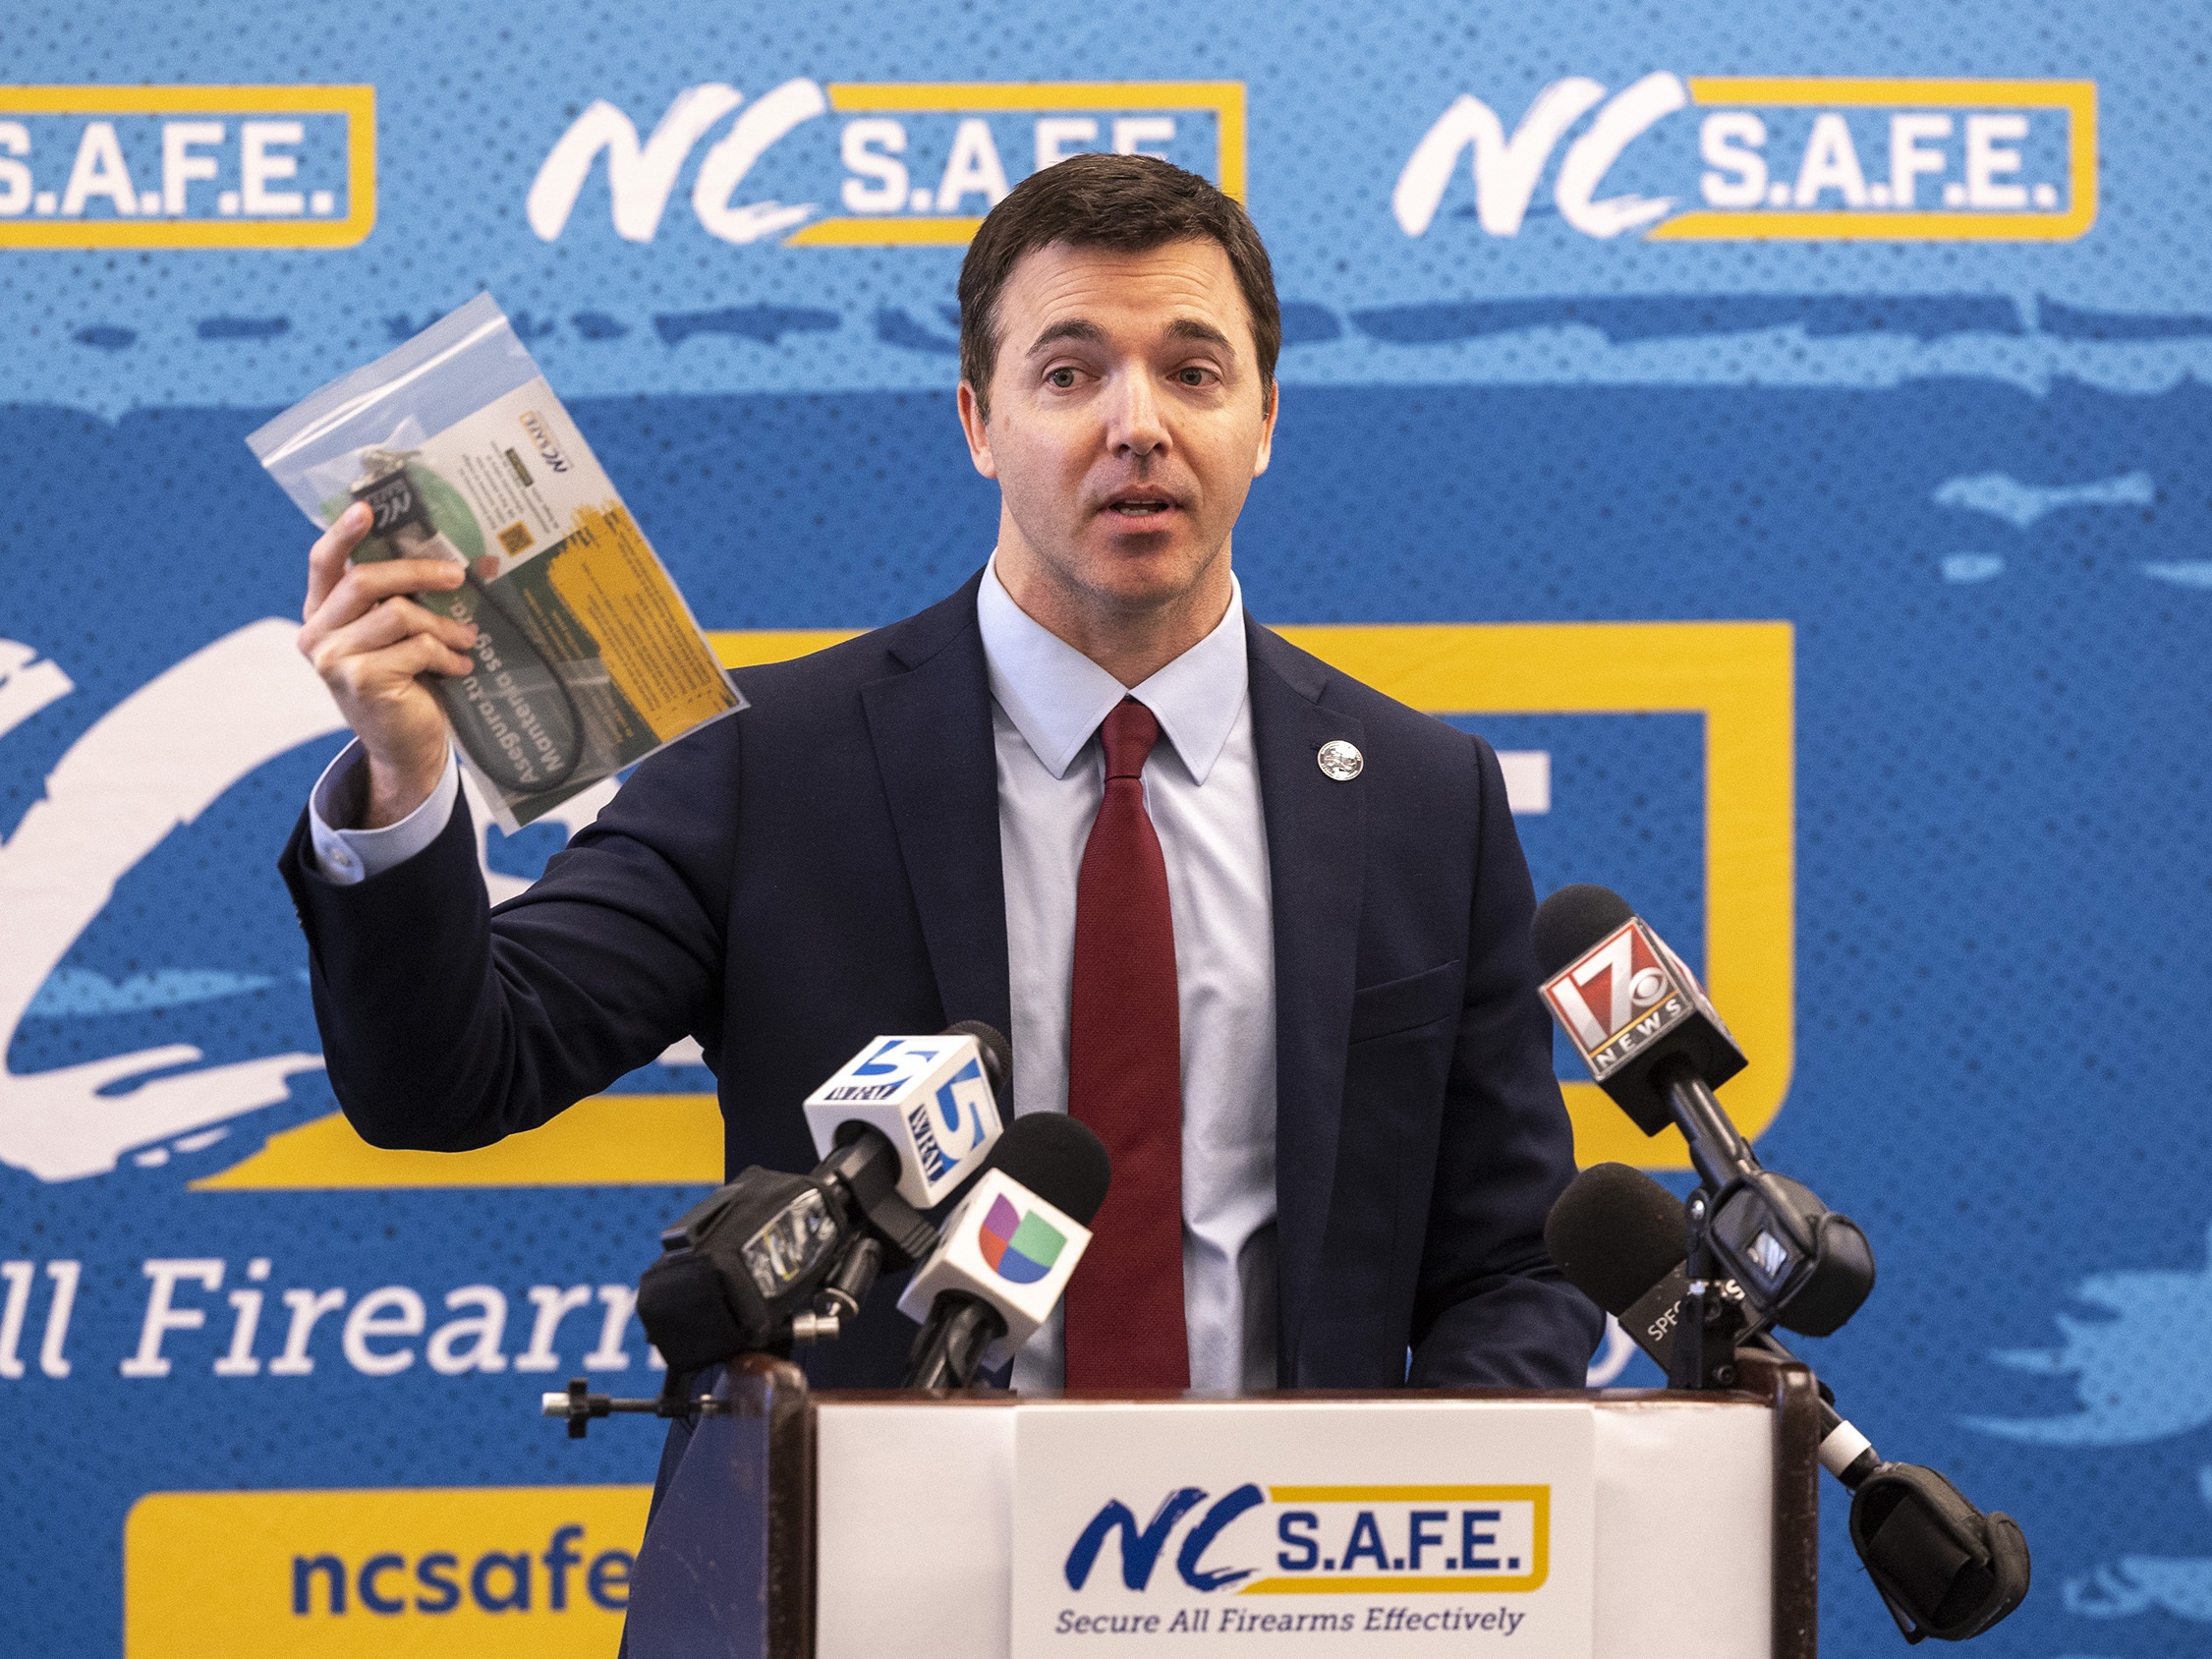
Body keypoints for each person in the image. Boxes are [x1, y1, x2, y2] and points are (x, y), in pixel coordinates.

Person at [282, 152, 1602, 1392]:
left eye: (1193, 372)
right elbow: (447, 1083)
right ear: (978, 420)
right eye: (1071, 373)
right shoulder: (767, 765)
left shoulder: (1428, 801)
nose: (1137, 425)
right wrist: (402, 779)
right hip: (874, 1575)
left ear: (1264, 420)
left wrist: (1402, 1545)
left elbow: (1514, 1265)